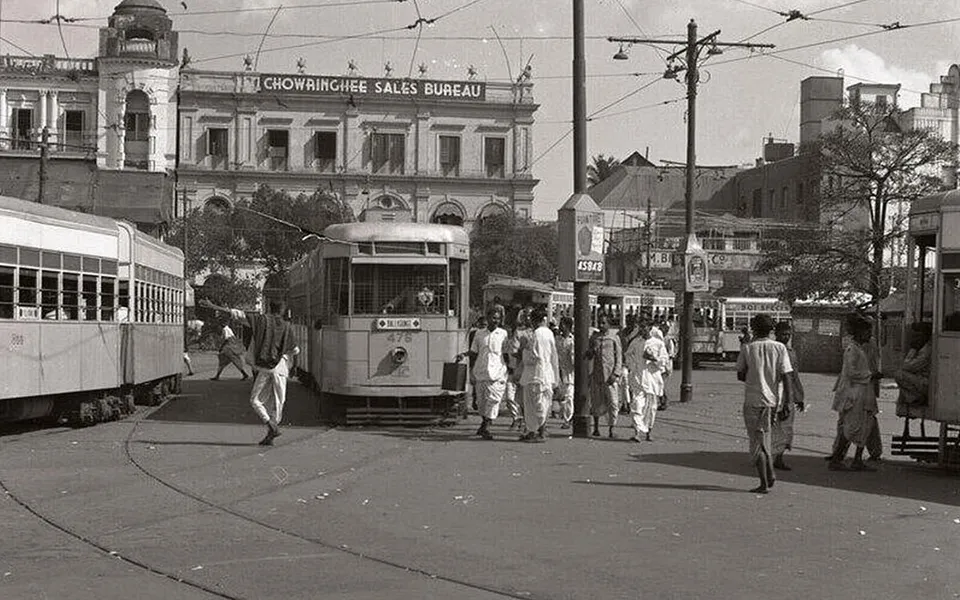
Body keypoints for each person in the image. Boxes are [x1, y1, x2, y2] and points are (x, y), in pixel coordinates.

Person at [199, 298, 299, 446]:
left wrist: (213, 305)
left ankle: (270, 426)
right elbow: (295, 351)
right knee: (279, 402)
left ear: (270, 308)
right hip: (281, 368)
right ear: (283, 310)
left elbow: (236, 314)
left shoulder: (260, 320)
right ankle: (272, 427)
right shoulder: (287, 327)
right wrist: (294, 368)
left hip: (264, 367)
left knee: (255, 400)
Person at [736, 313, 794, 494]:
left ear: (754, 329)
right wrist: (788, 402)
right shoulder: (779, 348)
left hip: (753, 400)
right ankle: (769, 470)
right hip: (772, 402)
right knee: (766, 437)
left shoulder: (748, 348)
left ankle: (764, 480)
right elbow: (787, 376)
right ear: (771, 330)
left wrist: (754, 373)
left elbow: (740, 374)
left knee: (756, 441)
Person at [827, 314, 879, 471]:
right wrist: (870, 376)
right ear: (859, 332)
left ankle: (857, 459)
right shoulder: (852, 349)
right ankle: (836, 459)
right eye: (867, 332)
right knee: (851, 428)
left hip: (865, 394)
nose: (869, 335)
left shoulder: (862, 349)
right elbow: (851, 372)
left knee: (865, 427)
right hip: (855, 395)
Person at [458, 304, 509, 440]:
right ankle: (484, 423)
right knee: (481, 403)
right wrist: (464, 355)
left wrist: (511, 370)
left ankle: (486, 426)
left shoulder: (503, 334)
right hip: (481, 371)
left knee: (494, 400)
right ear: (487, 318)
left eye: (498, 319)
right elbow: (474, 351)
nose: (495, 321)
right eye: (493, 318)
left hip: (498, 373)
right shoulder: (479, 334)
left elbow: (506, 353)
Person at [518, 307, 559, 442]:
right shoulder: (549, 334)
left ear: (535, 320)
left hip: (534, 375)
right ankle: (539, 431)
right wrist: (556, 377)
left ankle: (534, 432)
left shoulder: (535, 334)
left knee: (531, 405)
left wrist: (523, 349)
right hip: (547, 374)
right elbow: (553, 356)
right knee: (543, 403)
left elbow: (532, 357)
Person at [626, 319, 669, 443]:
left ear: (650, 328)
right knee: (637, 405)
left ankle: (649, 431)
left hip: (652, 380)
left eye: (644, 327)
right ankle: (637, 433)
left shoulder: (657, 343)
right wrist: (632, 367)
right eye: (640, 327)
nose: (642, 329)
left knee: (651, 407)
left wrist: (653, 358)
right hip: (638, 378)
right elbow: (628, 355)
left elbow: (664, 360)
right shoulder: (636, 342)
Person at [771, 322, 805, 471]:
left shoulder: (791, 352)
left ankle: (778, 458)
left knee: (785, 428)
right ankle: (768, 457)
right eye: (783, 334)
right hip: (774, 392)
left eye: (788, 334)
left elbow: (794, 377)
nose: (786, 337)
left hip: (788, 394)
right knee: (772, 427)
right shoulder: (773, 350)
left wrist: (799, 397)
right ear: (776, 334)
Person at [586, 314, 622, 438]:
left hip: (610, 376)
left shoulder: (614, 338)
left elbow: (619, 357)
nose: (601, 325)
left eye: (603, 323)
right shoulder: (594, 337)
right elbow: (588, 355)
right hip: (596, 375)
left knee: (613, 403)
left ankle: (612, 428)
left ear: (608, 324)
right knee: (596, 402)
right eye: (599, 323)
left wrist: (616, 373)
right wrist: (593, 350)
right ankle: (596, 428)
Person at [895, 322, 933, 437]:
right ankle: (913, 399)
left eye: (918, 335)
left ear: (925, 336)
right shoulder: (925, 348)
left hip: (926, 383)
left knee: (899, 375)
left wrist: (912, 350)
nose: (915, 338)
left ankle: (916, 398)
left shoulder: (926, 350)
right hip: (922, 380)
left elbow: (907, 366)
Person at [555, 316, 575, 429]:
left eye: (563, 324)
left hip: (569, 373)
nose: (561, 327)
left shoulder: (572, 340)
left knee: (568, 397)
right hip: (558, 371)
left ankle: (567, 419)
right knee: (561, 397)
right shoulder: (557, 339)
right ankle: (567, 415)